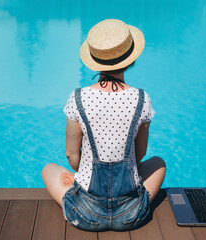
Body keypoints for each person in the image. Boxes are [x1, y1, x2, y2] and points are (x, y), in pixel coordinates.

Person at [42, 19, 166, 231]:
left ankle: (81, 184)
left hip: (85, 214)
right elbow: (140, 154)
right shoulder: (141, 99)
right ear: (129, 59)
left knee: (48, 169)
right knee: (159, 163)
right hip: (131, 215)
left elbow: (72, 156)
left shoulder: (78, 98)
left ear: (94, 60)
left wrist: (83, 173)